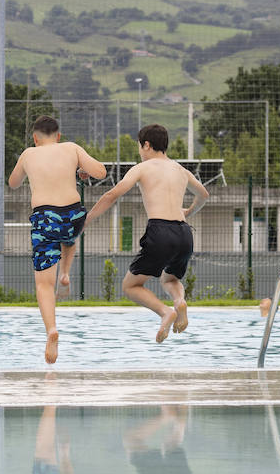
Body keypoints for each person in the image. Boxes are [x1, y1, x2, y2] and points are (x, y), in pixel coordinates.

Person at [85, 124, 210, 343]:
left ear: (147, 145)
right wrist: (188, 211)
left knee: (130, 286)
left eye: (139, 147)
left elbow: (112, 195)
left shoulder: (142, 168)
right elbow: (204, 194)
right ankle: (179, 301)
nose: (140, 152)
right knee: (169, 279)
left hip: (160, 231)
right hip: (184, 234)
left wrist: (86, 220)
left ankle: (165, 312)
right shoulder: (180, 170)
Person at [7, 115, 108, 363]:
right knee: (70, 238)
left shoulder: (29, 154)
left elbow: (13, 183)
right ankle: (66, 271)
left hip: (44, 217)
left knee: (43, 283)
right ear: (59, 135)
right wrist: (81, 169)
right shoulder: (71, 148)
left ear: (35, 138)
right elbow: (101, 172)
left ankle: (51, 330)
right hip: (73, 215)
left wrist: (28, 170)